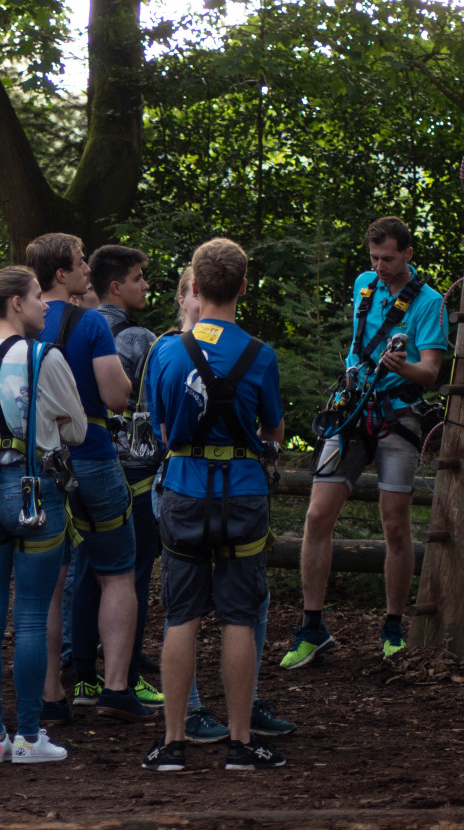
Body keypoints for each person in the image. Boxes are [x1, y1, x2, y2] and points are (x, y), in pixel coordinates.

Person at [142, 238, 287, 772]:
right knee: (239, 619)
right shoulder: (260, 354)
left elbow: (160, 427)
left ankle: (173, 744)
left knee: (181, 616)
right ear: (244, 288)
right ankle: (241, 744)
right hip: (243, 495)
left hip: (183, 489)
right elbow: (272, 429)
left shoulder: (166, 350)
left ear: (195, 288)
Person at [281, 216, 447, 667]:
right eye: (373, 258)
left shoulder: (429, 303)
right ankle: (311, 626)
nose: (380, 267)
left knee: (395, 523)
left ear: (408, 254)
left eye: (388, 258)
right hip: (351, 411)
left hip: (398, 415)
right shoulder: (364, 285)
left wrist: (400, 366)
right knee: (317, 517)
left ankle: (393, 626)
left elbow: (431, 373)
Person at [0, 266, 85, 763]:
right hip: (33, 493)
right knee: (31, 618)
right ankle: (31, 737)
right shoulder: (43, 356)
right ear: (15, 303)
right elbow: (74, 429)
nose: (46, 304)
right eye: (38, 296)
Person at [27, 233, 153, 723]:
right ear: (61, 274)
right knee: (116, 571)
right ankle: (115, 687)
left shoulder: (21, 323)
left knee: (50, 582)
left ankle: (52, 692)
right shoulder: (92, 323)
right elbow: (117, 396)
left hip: (39, 461)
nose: (87, 271)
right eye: (80, 263)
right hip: (94, 454)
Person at [78, 244, 163, 710]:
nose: (146, 285)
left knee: (88, 573)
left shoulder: (74, 328)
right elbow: (153, 409)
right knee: (132, 575)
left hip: (82, 463)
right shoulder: (139, 339)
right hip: (134, 471)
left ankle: (81, 674)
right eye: (138, 278)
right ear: (116, 286)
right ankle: (125, 676)